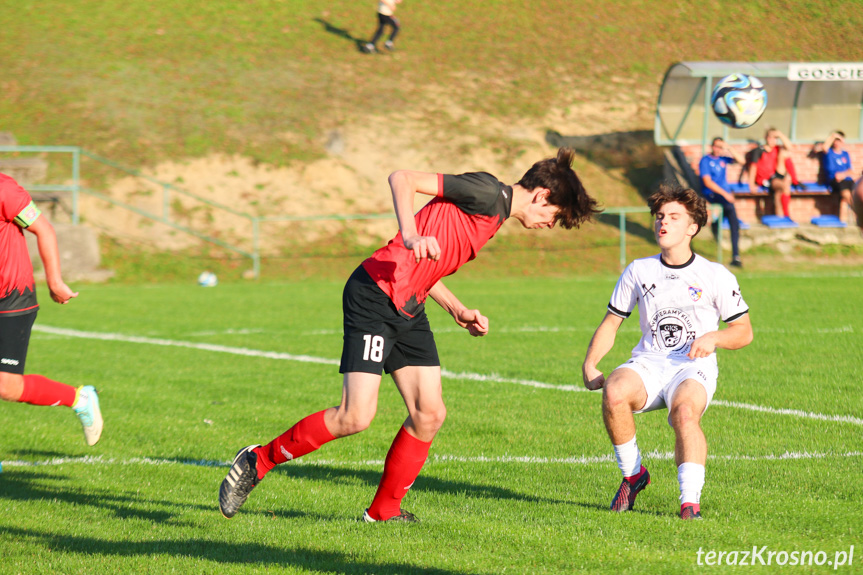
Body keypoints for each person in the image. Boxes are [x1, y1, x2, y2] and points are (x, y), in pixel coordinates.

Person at [220, 148, 600, 522]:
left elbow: (429, 268)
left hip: (408, 305)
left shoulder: (494, 214)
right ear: (542, 195)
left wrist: (458, 310)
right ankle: (259, 459)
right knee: (355, 416)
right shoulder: (487, 192)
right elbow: (402, 179)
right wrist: (411, 235)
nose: (551, 225)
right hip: (375, 294)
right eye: (555, 216)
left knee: (429, 413)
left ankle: (383, 511)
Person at [581, 183, 753, 520]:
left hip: (692, 367)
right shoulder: (638, 270)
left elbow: (743, 331)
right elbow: (611, 323)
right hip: (649, 362)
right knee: (615, 391)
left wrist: (714, 338)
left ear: (692, 227)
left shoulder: (715, 274)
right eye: (660, 216)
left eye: (674, 217)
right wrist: (590, 363)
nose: (663, 222)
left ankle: (690, 504)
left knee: (685, 413)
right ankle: (633, 475)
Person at [0, 173, 103, 446]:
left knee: (5, 386)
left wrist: (54, 281)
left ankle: (79, 398)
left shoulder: (4, 189)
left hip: (12, 298)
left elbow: (43, 229)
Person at [699, 137, 746, 268]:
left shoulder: (723, 159)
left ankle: (736, 256)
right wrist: (725, 193)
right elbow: (707, 182)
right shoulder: (705, 161)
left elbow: (742, 161)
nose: (718, 149)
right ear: (712, 146)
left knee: (734, 221)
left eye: (720, 147)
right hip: (712, 194)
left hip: (724, 195)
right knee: (727, 208)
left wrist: (729, 147)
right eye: (716, 146)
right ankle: (715, 227)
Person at [747, 128, 802, 218]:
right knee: (785, 186)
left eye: (775, 138)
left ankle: (780, 219)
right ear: (766, 138)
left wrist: (780, 134)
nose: (772, 140)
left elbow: (789, 147)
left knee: (778, 195)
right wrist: (751, 184)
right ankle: (786, 215)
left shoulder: (777, 149)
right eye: (770, 138)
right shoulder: (759, 150)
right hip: (765, 180)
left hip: (775, 177)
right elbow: (753, 167)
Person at [822, 131, 857, 224]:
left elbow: (850, 170)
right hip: (834, 180)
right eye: (835, 140)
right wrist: (833, 135)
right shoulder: (829, 152)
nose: (836, 142)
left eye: (839, 140)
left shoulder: (845, 154)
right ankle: (859, 212)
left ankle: (843, 222)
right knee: (846, 195)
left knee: (847, 199)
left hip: (847, 179)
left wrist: (843, 174)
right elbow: (824, 147)